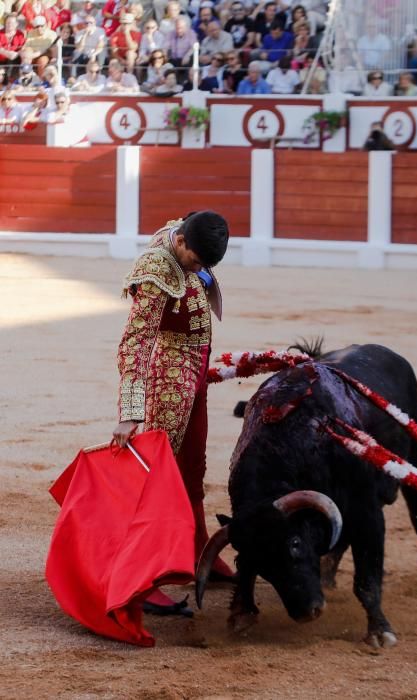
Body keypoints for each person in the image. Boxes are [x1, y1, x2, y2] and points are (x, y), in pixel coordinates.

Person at [113, 211, 234, 616]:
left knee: (192, 467)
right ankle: (142, 577)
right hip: (170, 373)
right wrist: (131, 411)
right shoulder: (154, 270)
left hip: (196, 367)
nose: (199, 270)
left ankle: (199, 550)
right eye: (196, 262)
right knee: (157, 476)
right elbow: (135, 342)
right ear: (180, 241)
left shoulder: (191, 229)